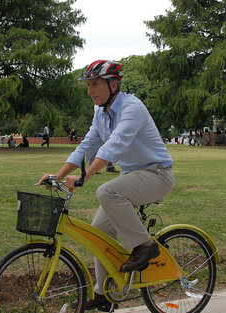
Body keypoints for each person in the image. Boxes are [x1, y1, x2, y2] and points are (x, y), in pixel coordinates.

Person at [38, 60, 174, 310]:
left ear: (114, 84)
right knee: (98, 233)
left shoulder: (133, 107)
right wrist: (58, 175)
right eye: (89, 85)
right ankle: (105, 294)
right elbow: (88, 145)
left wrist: (84, 177)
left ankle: (145, 246)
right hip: (133, 177)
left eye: (95, 84)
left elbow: (115, 145)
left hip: (157, 175)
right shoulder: (101, 112)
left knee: (106, 190)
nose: (90, 90)